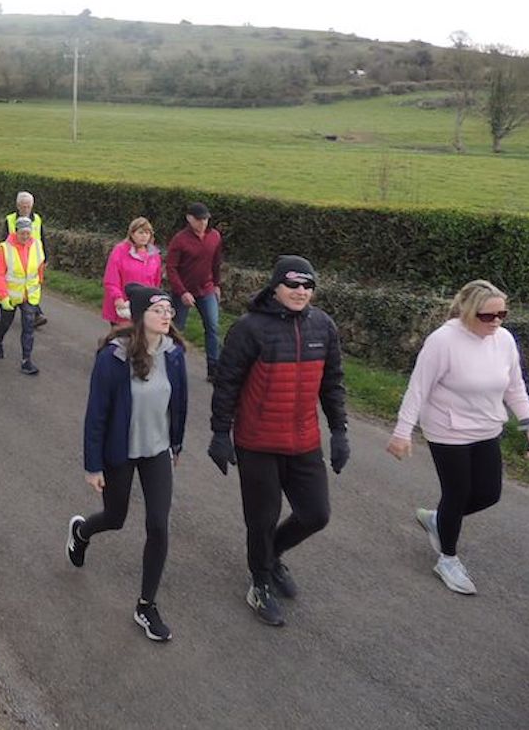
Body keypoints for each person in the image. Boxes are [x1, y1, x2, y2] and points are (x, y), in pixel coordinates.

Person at [207, 255, 349, 627]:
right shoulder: (250, 328)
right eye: (293, 285)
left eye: (308, 286)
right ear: (275, 287)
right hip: (257, 441)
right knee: (262, 519)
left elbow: (332, 383)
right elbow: (227, 384)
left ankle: (271, 556)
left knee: (316, 514)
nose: (301, 292)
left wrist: (340, 431)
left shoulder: (323, 326)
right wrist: (220, 433)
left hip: (304, 440)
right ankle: (260, 582)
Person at [385, 280, 529, 595]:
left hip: (487, 428)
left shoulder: (503, 339)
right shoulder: (443, 341)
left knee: (489, 493)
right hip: (447, 430)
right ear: (467, 311)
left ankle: (440, 519)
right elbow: (418, 388)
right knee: (458, 492)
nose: (496, 322)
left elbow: (515, 386)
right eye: (487, 316)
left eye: (502, 314)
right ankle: (447, 559)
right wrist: (402, 431)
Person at [67, 284, 188, 642]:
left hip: (157, 451)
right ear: (139, 317)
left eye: (169, 310)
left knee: (158, 525)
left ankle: (146, 605)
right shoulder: (114, 358)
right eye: (158, 310)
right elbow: (96, 415)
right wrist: (93, 466)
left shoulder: (174, 353)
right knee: (115, 518)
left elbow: (178, 402)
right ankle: (81, 531)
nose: (167, 315)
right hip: (120, 451)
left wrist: (176, 444)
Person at [166, 201, 223, 381]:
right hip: (183, 290)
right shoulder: (180, 240)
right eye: (199, 219)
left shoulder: (214, 236)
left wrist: (217, 284)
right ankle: (172, 363)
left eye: (205, 219)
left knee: (213, 327)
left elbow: (216, 262)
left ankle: (213, 369)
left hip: (206, 289)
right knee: (177, 328)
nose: (203, 223)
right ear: (189, 219)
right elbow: (171, 268)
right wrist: (182, 292)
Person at [0, 216, 46, 375]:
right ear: (16, 232)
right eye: (22, 233)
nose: (25, 237)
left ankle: (26, 360)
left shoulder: (37, 245)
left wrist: (40, 281)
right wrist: (3, 295)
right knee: (5, 323)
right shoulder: (5, 248)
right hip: (10, 296)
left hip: (30, 295)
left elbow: (40, 265)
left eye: (28, 233)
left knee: (28, 327)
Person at [103, 217, 163, 327]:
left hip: (144, 305)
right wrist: (117, 297)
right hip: (124, 306)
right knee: (122, 340)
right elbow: (111, 279)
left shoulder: (154, 255)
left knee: (141, 340)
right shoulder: (119, 251)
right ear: (132, 234)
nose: (144, 236)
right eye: (140, 232)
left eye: (147, 233)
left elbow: (156, 281)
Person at [5, 191, 48, 327]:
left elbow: (42, 238)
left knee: (33, 286)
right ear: (18, 206)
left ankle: (35, 313)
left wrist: (45, 257)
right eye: (23, 206)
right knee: (14, 284)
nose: (26, 209)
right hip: (15, 258)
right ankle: (6, 303)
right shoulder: (10, 219)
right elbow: (3, 240)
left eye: (28, 206)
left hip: (33, 259)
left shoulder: (37, 219)